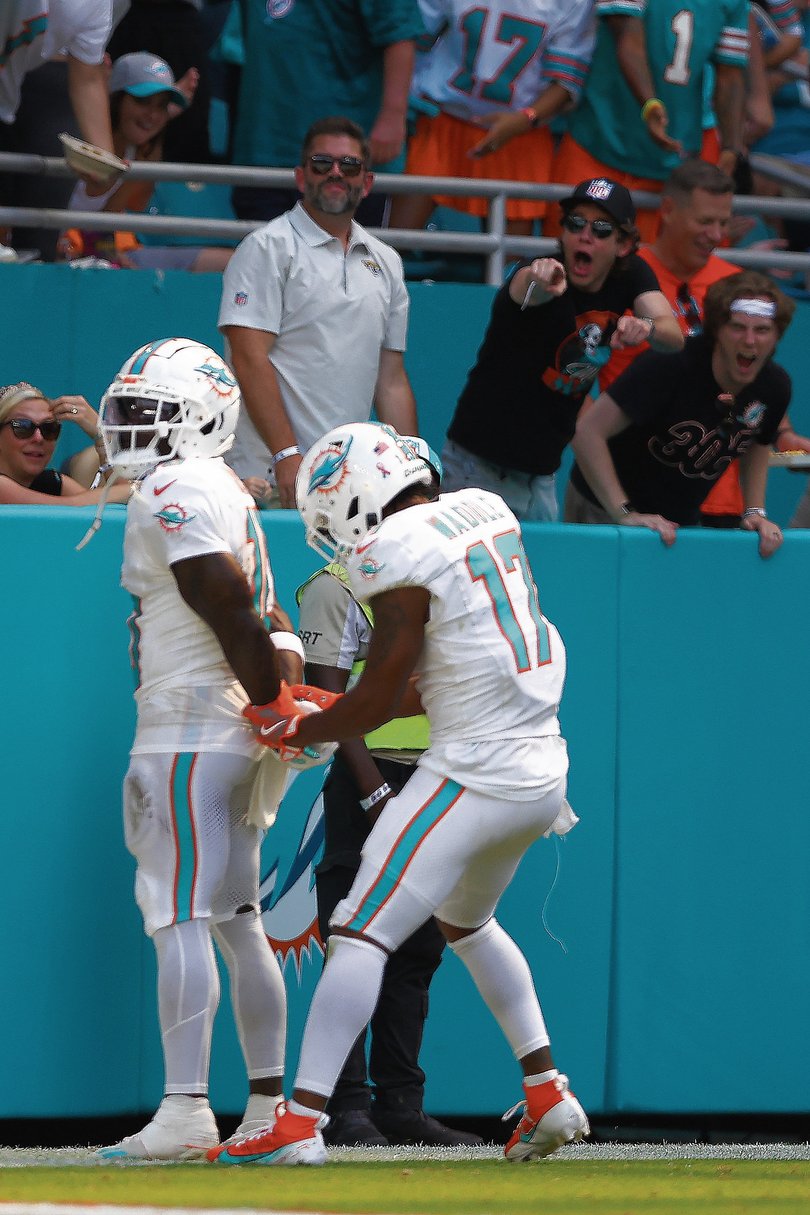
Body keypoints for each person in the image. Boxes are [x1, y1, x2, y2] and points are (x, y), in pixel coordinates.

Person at [207, 421, 588, 1167]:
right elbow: (442, 672)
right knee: (466, 922)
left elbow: (379, 693)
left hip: (476, 773)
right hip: (541, 768)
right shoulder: (485, 510)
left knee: (358, 929)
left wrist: (307, 728)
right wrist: (324, 710)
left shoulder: (396, 548)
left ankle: (299, 1123)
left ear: (354, 497)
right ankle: (547, 1091)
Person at [93, 337, 313, 1160]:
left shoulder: (174, 487)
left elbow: (226, 600)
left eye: (153, 414)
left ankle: (187, 1108)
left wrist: (270, 705)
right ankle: (269, 1116)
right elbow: (270, 612)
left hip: (188, 728)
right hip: (230, 732)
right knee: (237, 919)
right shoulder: (222, 486)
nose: (134, 431)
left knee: (176, 913)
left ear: (203, 419)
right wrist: (280, 693)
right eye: (130, 414)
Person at [295, 439, 481, 1149]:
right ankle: (345, 1107)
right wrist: (373, 791)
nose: (422, 509)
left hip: (437, 769)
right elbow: (325, 700)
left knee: (419, 944)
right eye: (409, 496)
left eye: (426, 493)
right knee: (354, 934)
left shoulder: (446, 566)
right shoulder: (334, 580)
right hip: (368, 773)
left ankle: (401, 1102)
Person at [440, 177, 683, 521]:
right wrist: (538, 278)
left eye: (601, 228)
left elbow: (674, 335)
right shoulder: (541, 273)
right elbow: (526, 285)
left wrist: (647, 327)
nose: (585, 235)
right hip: (477, 469)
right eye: (575, 224)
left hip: (540, 476)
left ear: (623, 244)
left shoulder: (630, 276)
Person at [588, 157, 810, 528]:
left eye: (723, 223)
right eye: (705, 221)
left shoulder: (737, 286)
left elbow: (758, 382)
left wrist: (785, 436)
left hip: (720, 498)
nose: (716, 234)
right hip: (636, 486)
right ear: (669, 210)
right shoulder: (622, 277)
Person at [219, 116, 418, 508]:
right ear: (300, 176)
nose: (336, 174)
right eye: (322, 163)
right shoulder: (266, 247)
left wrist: (412, 476)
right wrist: (286, 455)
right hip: (268, 478)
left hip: (349, 484)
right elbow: (248, 358)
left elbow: (391, 381)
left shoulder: (387, 262)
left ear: (368, 181)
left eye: (349, 165)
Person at [566, 270, 793, 558]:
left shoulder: (774, 387)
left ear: (777, 336)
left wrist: (755, 511)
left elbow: (759, 441)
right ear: (717, 331)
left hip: (678, 522)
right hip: (602, 507)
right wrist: (624, 513)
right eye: (737, 327)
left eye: (762, 330)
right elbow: (587, 432)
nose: (750, 341)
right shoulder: (671, 364)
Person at [389, 0, 595, 239]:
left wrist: (525, 119)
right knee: (392, 244)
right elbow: (411, 37)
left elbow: (565, 81)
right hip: (444, 120)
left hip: (520, 135)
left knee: (511, 263)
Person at [549, 1, 750, 241]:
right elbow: (626, 35)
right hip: (601, 143)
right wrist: (650, 104)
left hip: (672, 161)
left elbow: (730, 73)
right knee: (567, 258)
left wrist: (731, 146)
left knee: (657, 272)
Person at [230, 0, 424, 226]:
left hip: (345, 154)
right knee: (268, 256)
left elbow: (399, 35)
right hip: (263, 145)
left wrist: (393, 115)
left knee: (344, 256)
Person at [58, 53, 233, 273]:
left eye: (161, 106)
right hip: (55, 255)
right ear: (115, 99)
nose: (152, 115)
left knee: (234, 262)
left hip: (97, 254)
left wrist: (109, 255)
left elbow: (106, 222)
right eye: (142, 101)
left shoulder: (140, 154)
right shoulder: (79, 141)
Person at [0, 382, 130, 506]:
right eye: (23, 427)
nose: (38, 438)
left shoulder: (53, 483)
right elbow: (73, 506)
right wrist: (135, 488)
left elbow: (128, 503)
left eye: (49, 428)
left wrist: (101, 436)